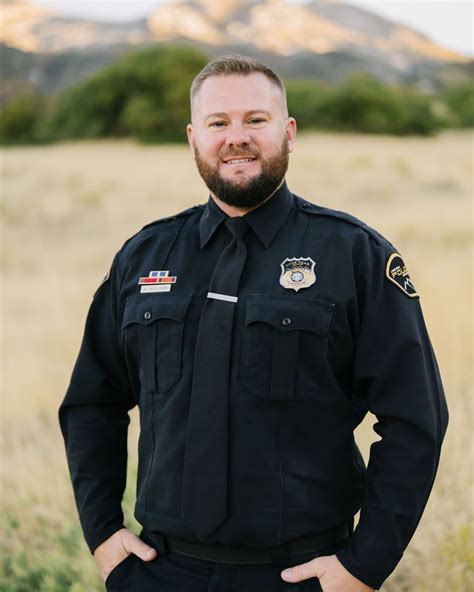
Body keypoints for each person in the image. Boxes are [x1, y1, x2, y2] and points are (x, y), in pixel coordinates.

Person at [59, 55, 448, 592]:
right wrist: (103, 532)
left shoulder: (355, 255)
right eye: (218, 122)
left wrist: (364, 565)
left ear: (288, 131)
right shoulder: (143, 256)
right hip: (159, 569)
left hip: (302, 573)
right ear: (194, 138)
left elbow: (415, 417)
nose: (236, 137)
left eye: (255, 120)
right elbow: (91, 403)